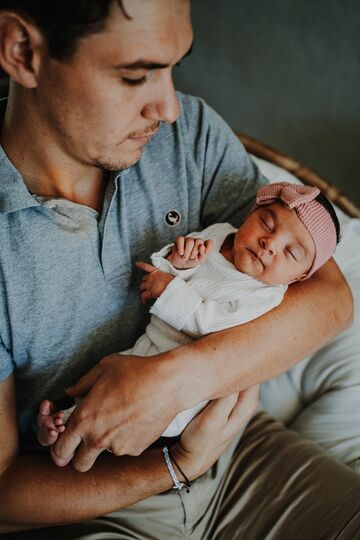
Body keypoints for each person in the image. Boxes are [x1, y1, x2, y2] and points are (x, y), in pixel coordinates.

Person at [0, 1, 359, 538]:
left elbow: (331, 299)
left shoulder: (188, 137)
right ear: (22, 52)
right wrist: (173, 465)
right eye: (137, 75)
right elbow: (2, 487)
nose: (168, 107)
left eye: (174, 66)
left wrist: (172, 382)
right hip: (90, 499)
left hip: (241, 450)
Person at [37, 181, 341, 448]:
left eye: (291, 253)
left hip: (183, 391)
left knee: (131, 414)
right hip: (151, 342)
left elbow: (210, 324)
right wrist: (177, 263)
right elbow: (183, 266)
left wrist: (168, 290)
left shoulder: (264, 295)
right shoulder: (222, 235)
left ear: (299, 277)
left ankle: (71, 438)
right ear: (250, 212)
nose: (270, 243)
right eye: (267, 223)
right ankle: (60, 425)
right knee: (104, 388)